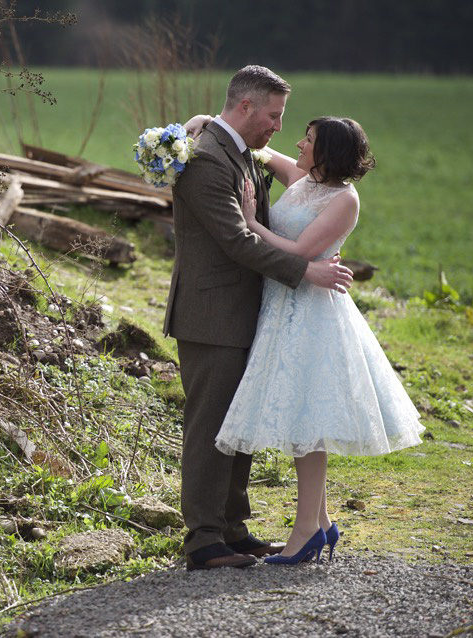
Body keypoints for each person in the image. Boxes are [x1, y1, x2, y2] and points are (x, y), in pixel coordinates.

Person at [163, 65, 354, 571]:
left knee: (236, 423)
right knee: (210, 428)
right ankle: (203, 541)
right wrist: (304, 271)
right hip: (210, 313)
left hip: (247, 311)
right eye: (273, 115)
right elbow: (235, 238)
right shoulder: (207, 160)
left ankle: (231, 529)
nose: (277, 127)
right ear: (245, 107)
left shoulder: (239, 152)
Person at [214, 116, 424, 564]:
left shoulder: (344, 199)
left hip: (311, 314)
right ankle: (322, 522)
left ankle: (306, 529)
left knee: (307, 423)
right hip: (281, 309)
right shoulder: (304, 178)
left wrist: (250, 221)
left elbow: (298, 252)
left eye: (307, 141)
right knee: (301, 422)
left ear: (327, 151)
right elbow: (263, 153)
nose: (298, 144)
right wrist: (202, 123)